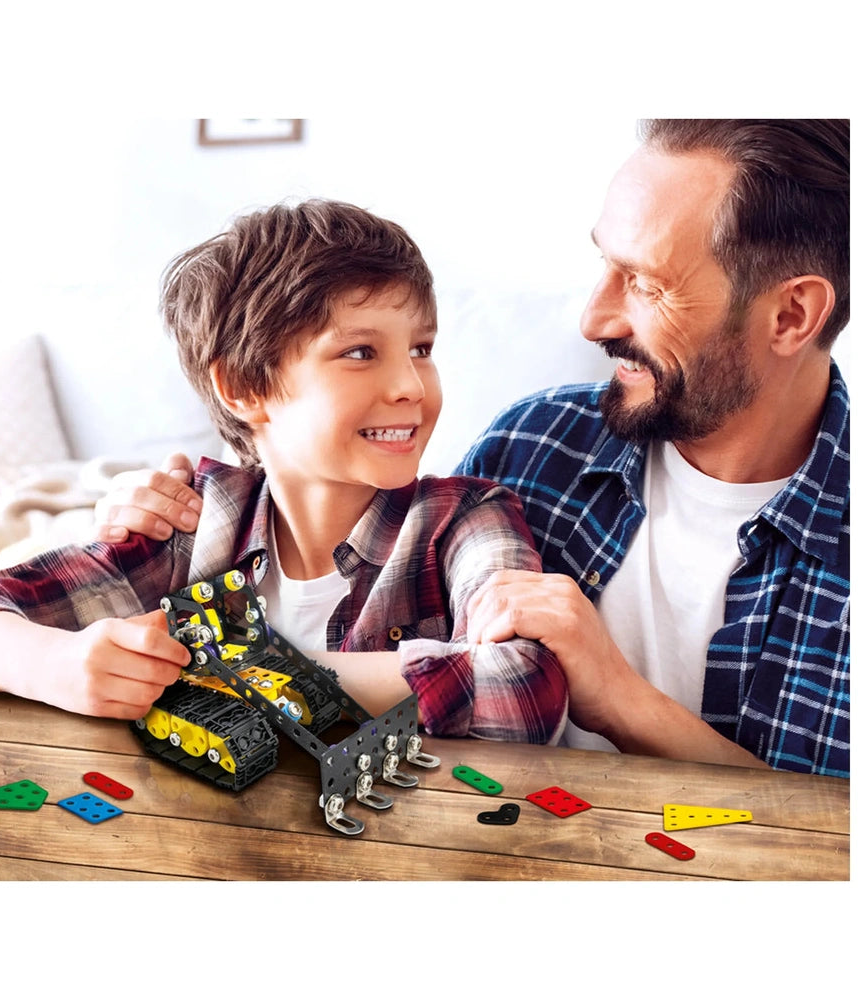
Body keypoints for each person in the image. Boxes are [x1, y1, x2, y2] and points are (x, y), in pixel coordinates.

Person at [98, 120, 849, 777]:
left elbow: (834, 836)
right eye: (603, 265)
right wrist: (171, 511)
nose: (591, 319)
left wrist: (618, 698)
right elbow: (356, 538)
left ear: (791, 314)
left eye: (647, 285)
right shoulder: (538, 445)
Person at [0, 199, 568, 746]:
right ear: (244, 387)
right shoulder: (197, 523)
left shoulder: (466, 519)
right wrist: (58, 664)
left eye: (421, 349)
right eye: (361, 352)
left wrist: (242, 670)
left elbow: (528, 687)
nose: (410, 385)